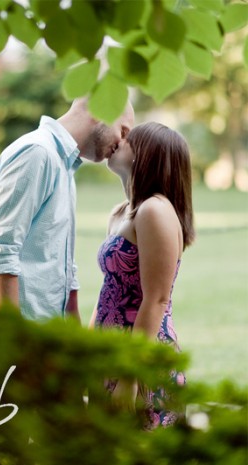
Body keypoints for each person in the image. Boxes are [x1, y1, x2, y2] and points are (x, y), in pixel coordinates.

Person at [0, 98, 135, 321]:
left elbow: (64, 269)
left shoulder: (63, 166)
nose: (122, 142)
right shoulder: (37, 153)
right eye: (123, 130)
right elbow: (0, 251)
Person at [93, 122, 193, 428]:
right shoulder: (121, 212)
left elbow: (157, 299)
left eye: (129, 139)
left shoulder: (155, 211)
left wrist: (129, 377)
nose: (118, 140)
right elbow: (108, 292)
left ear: (146, 155)